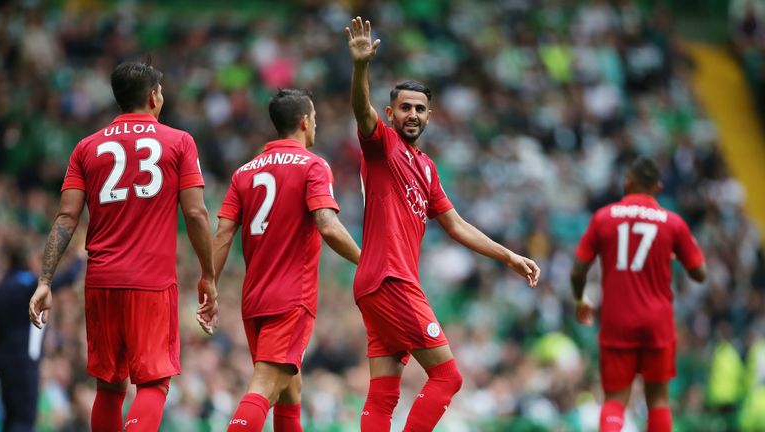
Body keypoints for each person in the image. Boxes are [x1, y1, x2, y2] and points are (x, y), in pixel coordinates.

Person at [345, 17, 540, 431]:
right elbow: (360, 110)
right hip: (390, 279)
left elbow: (455, 225)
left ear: (429, 116)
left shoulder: (428, 169)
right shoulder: (382, 145)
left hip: (379, 283)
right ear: (390, 113)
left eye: (419, 109)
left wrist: (508, 255)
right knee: (448, 376)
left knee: (383, 393)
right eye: (404, 108)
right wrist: (361, 66)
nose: (412, 115)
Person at [27, 61, 218, 432]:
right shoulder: (179, 142)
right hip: (151, 282)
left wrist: (45, 281)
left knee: (110, 388)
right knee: (154, 383)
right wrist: (208, 274)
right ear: (152, 96)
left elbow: (66, 218)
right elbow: (195, 214)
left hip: (100, 280)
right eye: (160, 91)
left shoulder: (86, 147)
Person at [212, 88, 361, 432]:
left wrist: (210, 283)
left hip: (254, 299)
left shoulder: (244, 172)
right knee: (265, 384)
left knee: (289, 390)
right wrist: (366, 260)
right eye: (316, 121)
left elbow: (222, 235)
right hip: (291, 297)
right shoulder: (314, 165)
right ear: (305, 121)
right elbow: (328, 225)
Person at [570, 156, 707, 432]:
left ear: (627, 182)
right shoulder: (673, 223)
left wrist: (580, 299)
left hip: (617, 320)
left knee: (615, 400)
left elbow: (577, 271)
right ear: (658, 187)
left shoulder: (603, 217)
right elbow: (699, 273)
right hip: (658, 321)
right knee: (658, 401)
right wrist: (671, 253)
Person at [0, 240, 82, 432]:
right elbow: (62, 279)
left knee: (11, 417)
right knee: (24, 419)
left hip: (4, 364)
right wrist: (78, 259)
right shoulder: (24, 284)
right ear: (27, 261)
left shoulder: (2, 288)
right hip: (22, 365)